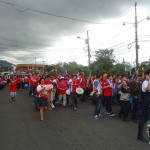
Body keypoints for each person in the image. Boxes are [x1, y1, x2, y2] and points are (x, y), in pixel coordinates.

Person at [137, 75, 150, 142]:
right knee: (143, 119)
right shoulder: (146, 82)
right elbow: (148, 89)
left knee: (147, 120)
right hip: (147, 103)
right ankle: (140, 135)